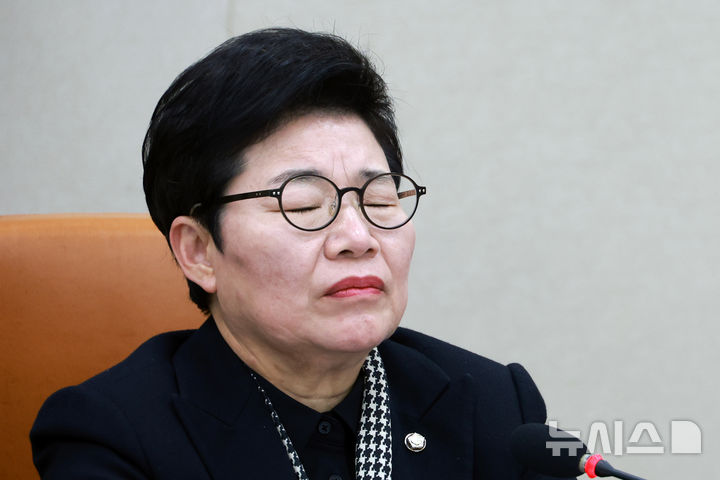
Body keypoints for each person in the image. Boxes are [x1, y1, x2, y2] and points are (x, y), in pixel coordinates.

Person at [31, 28, 574, 479]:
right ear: (199, 251)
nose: (358, 237)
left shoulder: (496, 407)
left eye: (379, 199)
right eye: (305, 205)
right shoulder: (113, 436)